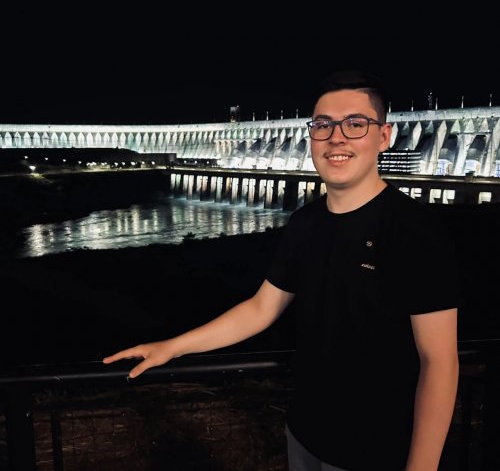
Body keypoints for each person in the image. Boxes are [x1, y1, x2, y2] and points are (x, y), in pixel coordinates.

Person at [103, 69, 460, 470]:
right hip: (305, 435)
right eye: (323, 125)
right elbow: (261, 309)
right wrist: (172, 347)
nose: (336, 138)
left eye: (355, 124)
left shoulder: (414, 230)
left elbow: (439, 361)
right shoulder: (306, 223)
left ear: (384, 136)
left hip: (378, 451)